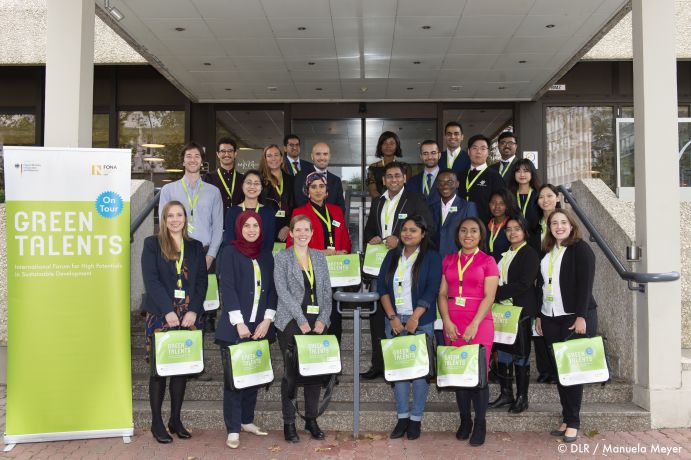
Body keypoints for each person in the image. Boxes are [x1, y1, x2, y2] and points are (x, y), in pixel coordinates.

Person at [141, 201, 208, 444]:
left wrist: (194, 311)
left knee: (181, 369)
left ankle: (175, 420)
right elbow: (151, 280)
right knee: (159, 371)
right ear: (164, 218)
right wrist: (168, 311)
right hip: (161, 314)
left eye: (179, 215)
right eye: (170, 215)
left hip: (188, 316)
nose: (175, 219)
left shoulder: (195, 246)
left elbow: (202, 282)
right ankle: (157, 422)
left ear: (185, 219)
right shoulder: (152, 244)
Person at [361, 162, 435, 380]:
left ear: (404, 178)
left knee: (402, 310)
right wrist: (372, 239)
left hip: (406, 264)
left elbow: (426, 227)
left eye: (397, 176)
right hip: (379, 267)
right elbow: (368, 232)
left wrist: (400, 240)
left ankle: (407, 363)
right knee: (377, 317)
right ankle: (379, 363)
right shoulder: (377, 202)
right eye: (389, 176)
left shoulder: (415, 199)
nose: (393, 180)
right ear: (383, 180)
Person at [536, 209, 598, 444]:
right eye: (554, 223)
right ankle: (566, 416)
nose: (559, 226)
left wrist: (581, 316)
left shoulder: (580, 249)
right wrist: (540, 315)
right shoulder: (549, 251)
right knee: (560, 371)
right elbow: (542, 286)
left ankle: (574, 422)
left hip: (574, 317)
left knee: (572, 371)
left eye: (563, 222)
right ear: (549, 227)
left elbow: (585, 285)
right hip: (550, 316)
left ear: (571, 226)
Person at [377, 216, 441, 441]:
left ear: (422, 234)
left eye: (413, 230)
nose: (408, 234)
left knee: (419, 374)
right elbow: (381, 287)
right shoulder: (391, 255)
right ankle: (402, 417)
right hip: (394, 321)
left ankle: (415, 419)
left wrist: (415, 317)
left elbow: (432, 288)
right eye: (404, 230)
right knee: (400, 371)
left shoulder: (431, 257)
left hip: (420, 321)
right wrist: (392, 317)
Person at [215, 211, 276, 449]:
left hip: (260, 327)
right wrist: (238, 322)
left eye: (255, 226)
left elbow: (272, 290)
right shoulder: (229, 252)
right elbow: (227, 287)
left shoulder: (266, 255)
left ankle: (247, 420)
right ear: (240, 228)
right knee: (234, 381)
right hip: (234, 328)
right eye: (247, 225)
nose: (251, 230)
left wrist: (268, 320)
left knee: (253, 377)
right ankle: (232, 428)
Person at [437, 217, 499, 447]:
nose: (468, 234)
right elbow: (442, 293)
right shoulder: (449, 259)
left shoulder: (488, 261)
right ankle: (465, 421)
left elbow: (490, 296)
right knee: (458, 373)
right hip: (453, 321)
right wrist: (446, 320)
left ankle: (480, 423)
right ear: (458, 235)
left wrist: (474, 324)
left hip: (479, 322)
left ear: (481, 235)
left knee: (478, 375)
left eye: (474, 230)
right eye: (464, 230)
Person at [274, 215, 333, 443]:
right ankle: (289, 423)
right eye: (297, 230)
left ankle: (311, 419)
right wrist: (300, 319)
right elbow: (282, 291)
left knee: (314, 373)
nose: (302, 234)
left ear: (311, 232)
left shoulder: (319, 257)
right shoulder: (282, 257)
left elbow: (326, 291)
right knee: (291, 375)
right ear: (291, 233)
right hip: (290, 319)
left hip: (316, 319)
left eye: (306, 230)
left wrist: (323, 319)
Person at [159, 141, 222, 341]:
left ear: (202, 161)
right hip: (177, 250)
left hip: (203, 250)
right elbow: (164, 220)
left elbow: (218, 226)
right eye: (189, 156)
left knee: (202, 289)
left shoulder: (213, 191)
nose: (193, 160)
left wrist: (211, 254)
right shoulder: (169, 189)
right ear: (183, 161)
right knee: (178, 292)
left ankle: (206, 319)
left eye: (197, 156)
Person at [287, 172, 352, 343]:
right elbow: (291, 247)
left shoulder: (337, 211)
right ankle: (313, 359)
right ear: (307, 190)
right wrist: (320, 253)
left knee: (335, 319)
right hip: (311, 274)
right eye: (313, 187)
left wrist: (342, 252)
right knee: (313, 318)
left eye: (321, 186)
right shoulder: (299, 212)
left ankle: (333, 359)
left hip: (336, 274)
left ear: (327, 191)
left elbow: (346, 242)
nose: (318, 190)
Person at [489, 215, 540, 414]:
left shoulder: (529, 253)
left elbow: (524, 284)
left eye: (517, 228)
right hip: (502, 313)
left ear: (525, 231)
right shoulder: (505, 254)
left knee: (520, 355)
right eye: (509, 229)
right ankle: (505, 394)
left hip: (521, 313)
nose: (512, 232)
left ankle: (522, 397)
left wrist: (495, 293)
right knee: (503, 353)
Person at [533, 184, 562, 384]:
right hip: (539, 277)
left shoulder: (564, 222)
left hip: (558, 279)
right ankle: (544, 369)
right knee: (539, 322)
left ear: (558, 198)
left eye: (549, 195)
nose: (546, 200)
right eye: (541, 196)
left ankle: (557, 368)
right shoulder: (534, 225)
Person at [223, 170, 276, 254]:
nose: (252, 186)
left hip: (261, 261)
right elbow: (230, 241)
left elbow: (268, 244)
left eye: (256, 183)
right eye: (248, 182)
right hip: (237, 261)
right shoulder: (232, 212)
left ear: (261, 187)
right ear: (242, 185)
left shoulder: (268, 213)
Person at [429, 170, 479, 258]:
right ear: (437, 185)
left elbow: (474, 236)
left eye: (450, 182)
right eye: (441, 183)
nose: (445, 186)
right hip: (435, 259)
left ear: (457, 184)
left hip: (458, 259)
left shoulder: (468, 206)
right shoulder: (431, 208)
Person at [461, 134, 505, 224]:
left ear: (488, 152)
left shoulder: (495, 176)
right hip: (462, 225)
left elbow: (502, 203)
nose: (478, 152)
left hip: (485, 227)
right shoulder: (460, 175)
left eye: (483, 148)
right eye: (475, 148)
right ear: (468, 151)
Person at [203, 137, 245, 229]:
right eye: (223, 151)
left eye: (230, 151)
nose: (226, 154)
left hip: (238, 229)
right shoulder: (208, 179)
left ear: (235, 154)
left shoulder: (243, 179)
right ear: (218, 154)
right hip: (214, 229)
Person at [293, 142, 346, 211]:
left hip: (331, 221)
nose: (322, 158)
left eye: (325, 154)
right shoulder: (301, 177)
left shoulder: (336, 180)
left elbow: (340, 208)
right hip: (308, 220)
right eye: (318, 154)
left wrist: (332, 222)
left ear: (329, 156)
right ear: (312, 156)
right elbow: (300, 204)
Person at [259, 144, 294, 243]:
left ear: (282, 158)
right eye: (269, 156)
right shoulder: (259, 181)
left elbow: (297, 207)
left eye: (276, 155)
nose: (273, 158)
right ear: (265, 159)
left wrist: (288, 226)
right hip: (265, 231)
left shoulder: (292, 180)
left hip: (288, 232)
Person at [507, 158, 542, 249]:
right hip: (513, 241)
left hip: (535, 241)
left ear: (532, 173)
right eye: (518, 171)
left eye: (526, 171)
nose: (522, 174)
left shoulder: (539, 195)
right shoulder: (509, 196)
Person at [367, 131, 411, 199]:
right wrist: (385, 203)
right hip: (379, 204)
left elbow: (406, 190)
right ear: (380, 146)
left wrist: (394, 203)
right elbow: (373, 191)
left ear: (397, 146)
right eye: (385, 143)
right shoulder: (372, 168)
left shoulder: (405, 167)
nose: (388, 146)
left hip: (399, 205)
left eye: (392, 143)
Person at [486, 189, 520, 262]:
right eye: (493, 203)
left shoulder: (513, 227)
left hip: (506, 269)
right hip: (487, 270)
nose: (497, 206)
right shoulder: (484, 227)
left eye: (502, 203)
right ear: (489, 204)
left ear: (507, 205)